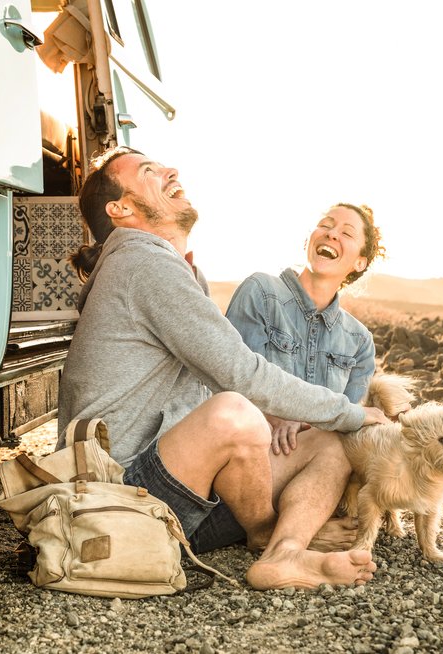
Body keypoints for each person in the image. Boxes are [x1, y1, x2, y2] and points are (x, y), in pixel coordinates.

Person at [57, 146, 388, 590]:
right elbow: (240, 375)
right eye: (149, 171)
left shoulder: (176, 269)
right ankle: (267, 531)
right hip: (121, 496)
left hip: (180, 491)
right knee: (234, 411)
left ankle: (283, 553)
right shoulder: (141, 263)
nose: (170, 169)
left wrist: (323, 421)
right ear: (121, 208)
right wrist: (348, 411)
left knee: (332, 443)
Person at [225, 203, 389, 456]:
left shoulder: (359, 341)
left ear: (360, 262)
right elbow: (237, 384)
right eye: (325, 225)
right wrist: (279, 418)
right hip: (251, 448)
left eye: (347, 233)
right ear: (307, 242)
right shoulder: (260, 292)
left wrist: (304, 422)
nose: (331, 234)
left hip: (317, 457)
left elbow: (350, 421)